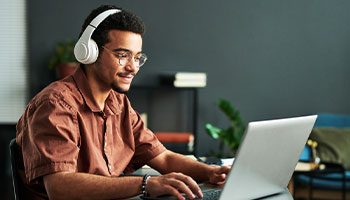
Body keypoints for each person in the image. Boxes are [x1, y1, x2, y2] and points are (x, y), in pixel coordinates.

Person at [16, 5, 230, 200]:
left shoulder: (119, 104)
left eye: (137, 58)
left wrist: (210, 172)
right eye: (123, 55)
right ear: (90, 52)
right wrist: (146, 184)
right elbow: (59, 187)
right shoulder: (55, 104)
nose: (133, 67)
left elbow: (162, 158)